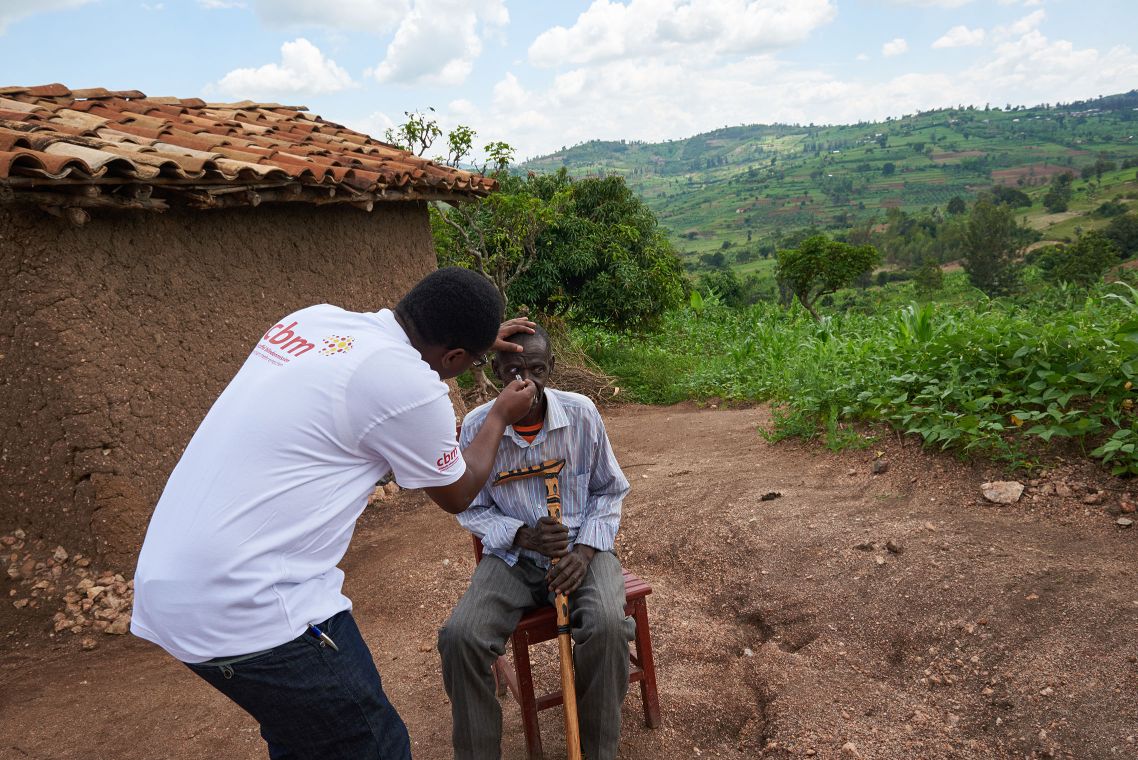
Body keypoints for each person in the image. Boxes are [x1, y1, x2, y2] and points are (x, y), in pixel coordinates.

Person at [131, 267, 537, 760]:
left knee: (305, 738)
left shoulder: (315, 320)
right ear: (453, 355)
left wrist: (468, 342)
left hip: (170, 584)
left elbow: (381, 370)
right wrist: (497, 416)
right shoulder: (412, 388)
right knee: (371, 744)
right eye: (469, 362)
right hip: (252, 604)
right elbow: (460, 492)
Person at [438, 324, 633, 760]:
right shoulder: (476, 426)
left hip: (582, 549)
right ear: (495, 372)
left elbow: (610, 490)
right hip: (513, 558)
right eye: (513, 371)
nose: (525, 381)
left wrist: (583, 553)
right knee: (460, 636)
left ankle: (597, 751)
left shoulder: (581, 414)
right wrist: (522, 534)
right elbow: (468, 506)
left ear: (552, 369)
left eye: (537, 369)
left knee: (606, 626)